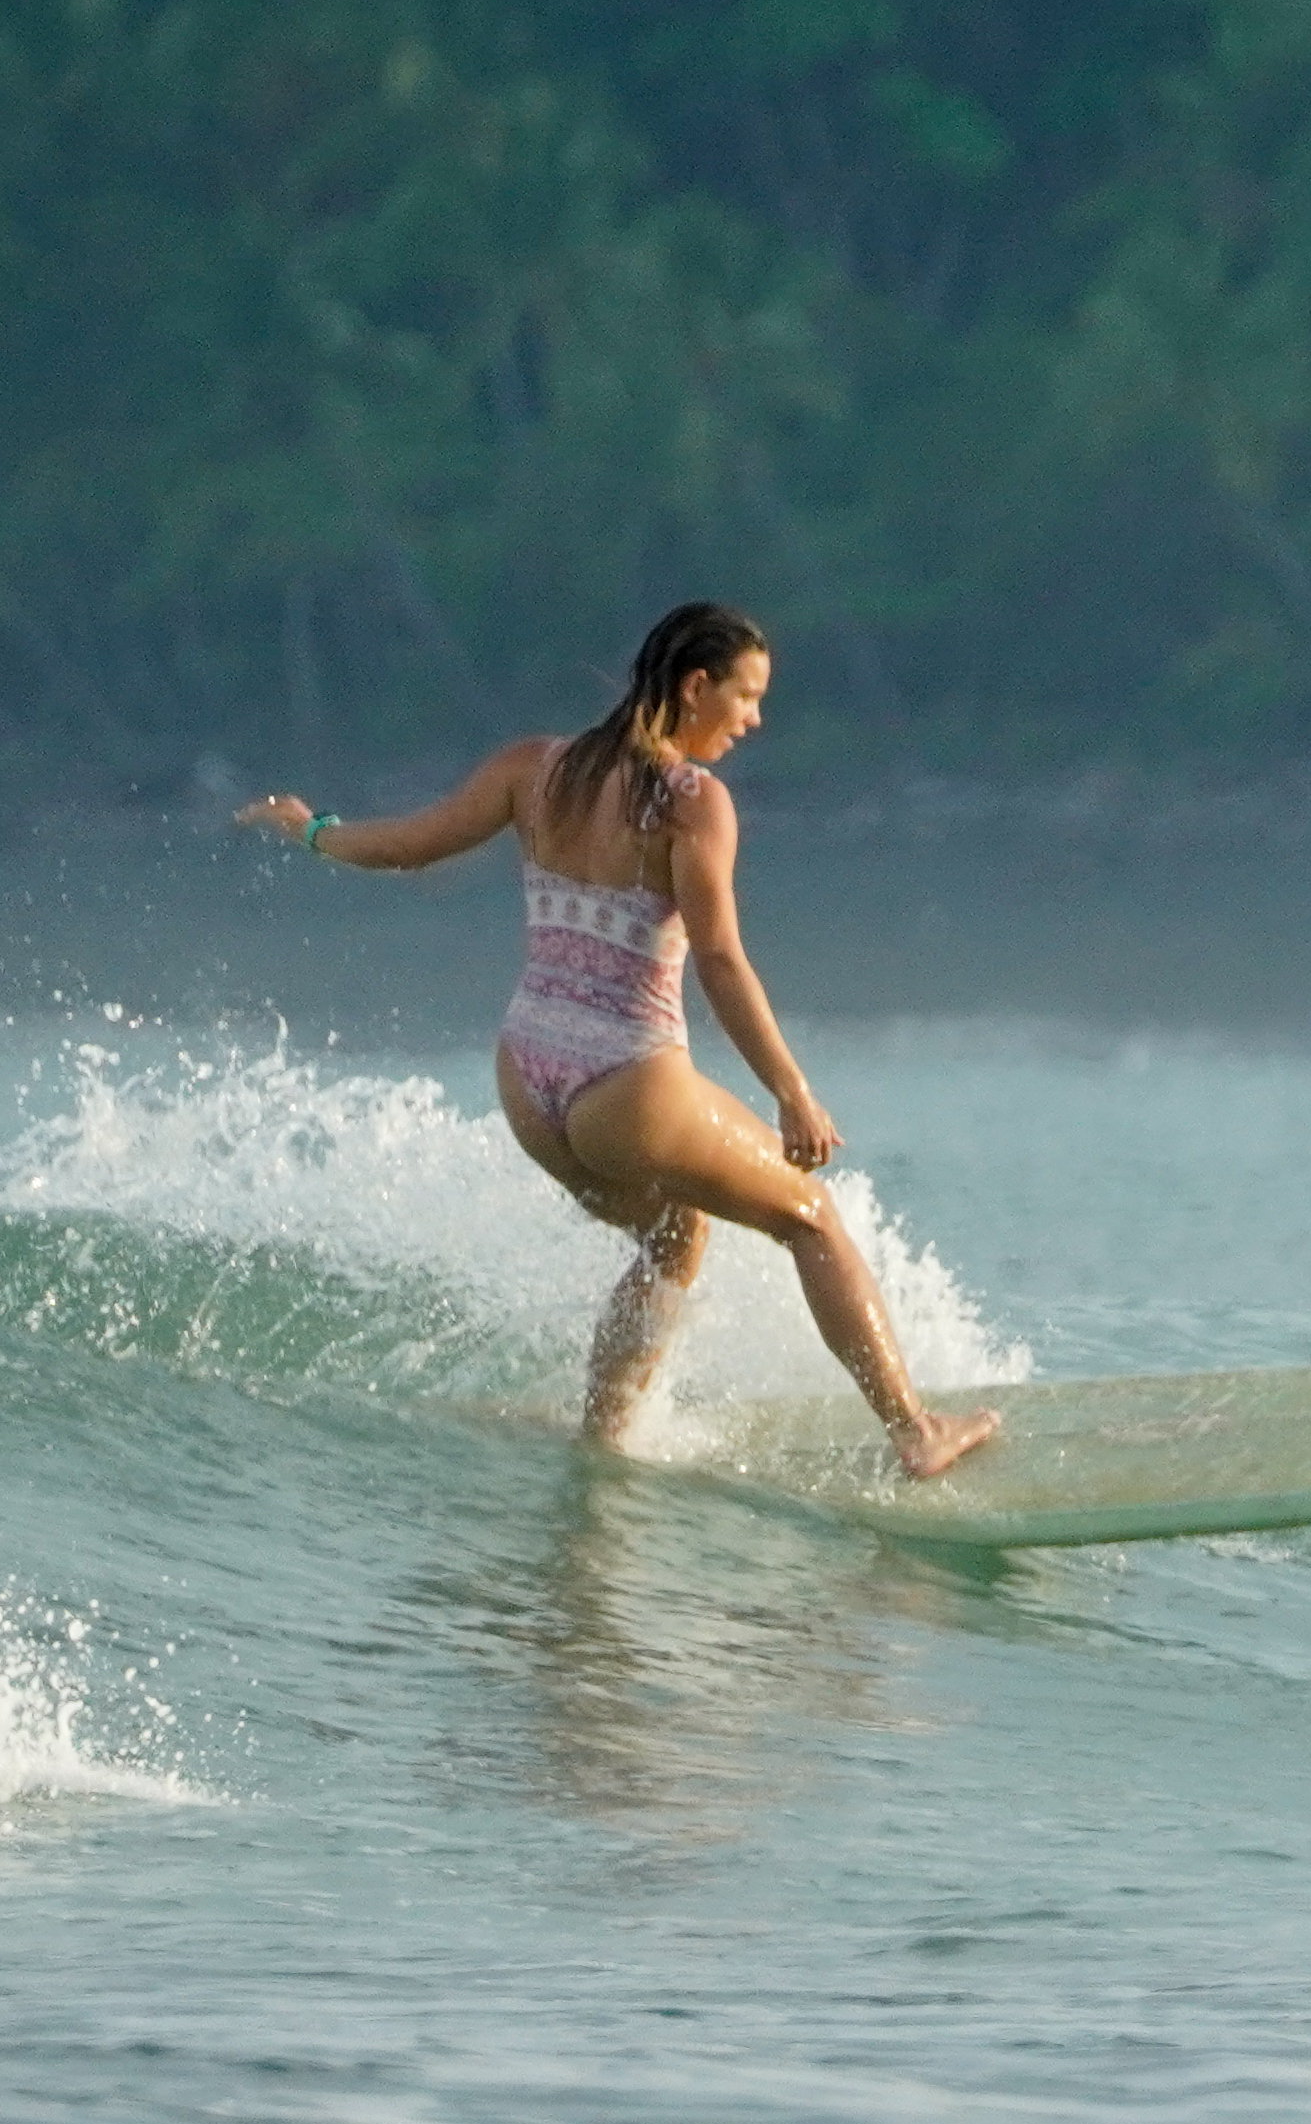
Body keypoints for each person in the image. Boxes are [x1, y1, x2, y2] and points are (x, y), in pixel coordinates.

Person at [239, 602, 999, 1478]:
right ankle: (914, 1429)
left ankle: (604, 1442)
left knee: (676, 1235)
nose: (754, 719)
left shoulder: (537, 768)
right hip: (627, 1082)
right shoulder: (692, 802)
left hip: (529, 1079)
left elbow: (412, 846)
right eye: (746, 698)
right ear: (694, 686)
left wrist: (312, 829)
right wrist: (791, 1088)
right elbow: (717, 958)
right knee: (813, 1219)